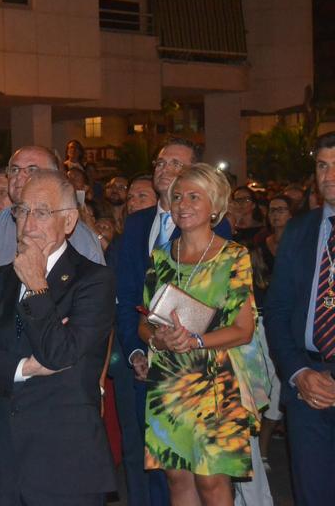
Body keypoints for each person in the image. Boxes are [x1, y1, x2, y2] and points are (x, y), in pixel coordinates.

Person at [0, 170, 116, 505]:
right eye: (22, 211)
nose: (28, 223)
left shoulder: (93, 280)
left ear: (69, 221)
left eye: (41, 213)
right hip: (5, 458)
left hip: (66, 462)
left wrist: (38, 287)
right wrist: (22, 368)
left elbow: (59, 354)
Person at [138, 163, 267, 505]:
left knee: (212, 483)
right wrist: (158, 339)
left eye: (194, 196)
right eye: (177, 196)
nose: (183, 204)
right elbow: (145, 321)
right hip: (168, 379)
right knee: (178, 479)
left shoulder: (234, 256)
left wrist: (196, 341)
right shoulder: (161, 256)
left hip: (216, 381)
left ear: (216, 205)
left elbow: (243, 330)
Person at [114, 137, 232, 506]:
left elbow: (223, 311)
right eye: (161, 162)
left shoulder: (219, 234)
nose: (164, 169)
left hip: (197, 373)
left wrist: (183, 348)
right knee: (148, 464)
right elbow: (127, 299)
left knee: (201, 476)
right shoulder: (135, 226)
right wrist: (136, 351)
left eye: (176, 164)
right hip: (145, 368)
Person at [265, 132, 335, 506]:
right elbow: (277, 310)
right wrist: (298, 372)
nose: (329, 176)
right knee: (312, 494)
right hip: (305, 386)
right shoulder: (300, 230)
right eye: (323, 165)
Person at [0, 145, 104, 296]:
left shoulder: (81, 238)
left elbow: (96, 309)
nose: (19, 177)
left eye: (32, 170)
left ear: (54, 176)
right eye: (14, 170)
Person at [250, 195, 292, 473]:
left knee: (278, 386)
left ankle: (263, 446)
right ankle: (254, 449)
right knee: (258, 384)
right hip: (258, 322)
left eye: (282, 210)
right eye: (272, 210)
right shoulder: (257, 248)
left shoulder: (300, 245)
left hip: (287, 323)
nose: (276, 215)